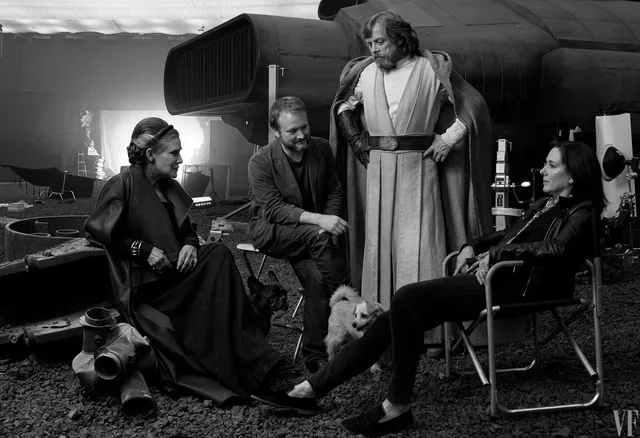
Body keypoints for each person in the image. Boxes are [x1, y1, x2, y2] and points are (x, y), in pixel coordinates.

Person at [252, 140, 606, 435]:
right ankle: (317, 390)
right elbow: (510, 235)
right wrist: (473, 245)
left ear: (573, 174)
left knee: (407, 299)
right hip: (495, 278)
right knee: (399, 313)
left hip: (518, 288)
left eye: (551, 165)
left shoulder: (583, 211)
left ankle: (386, 404)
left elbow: (556, 249)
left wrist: (498, 254)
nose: (542, 170)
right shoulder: (546, 204)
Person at [85, 117, 290, 406]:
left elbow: (187, 230)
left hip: (176, 272)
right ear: (150, 154)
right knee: (218, 266)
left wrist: (191, 246)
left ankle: (254, 357)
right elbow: (97, 232)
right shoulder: (122, 184)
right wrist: (143, 249)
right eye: (174, 153)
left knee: (218, 255)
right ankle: (248, 368)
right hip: (150, 287)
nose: (180, 159)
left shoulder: (168, 186)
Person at [329, 11, 494, 350]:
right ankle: (378, 333)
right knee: (378, 248)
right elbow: (343, 106)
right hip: (377, 171)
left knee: (421, 247)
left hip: (420, 169)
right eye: (370, 43)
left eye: (380, 41)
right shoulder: (366, 73)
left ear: (400, 39)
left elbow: (473, 106)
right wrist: (357, 141)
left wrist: (448, 139)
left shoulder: (430, 69)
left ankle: (429, 335)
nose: (374, 49)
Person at [247, 96, 351, 373]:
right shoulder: (260, 162)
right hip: (273, 231)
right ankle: (350, 300)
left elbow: (334, 191)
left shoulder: (321, 148)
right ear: (276, 131)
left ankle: (315, 354)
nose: (302, 134)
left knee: (317, 278)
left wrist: (326, 224)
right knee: (317, 238)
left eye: (304, 126)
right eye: (292, 131)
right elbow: (275, 209)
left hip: (314, 234)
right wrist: (320, 223)